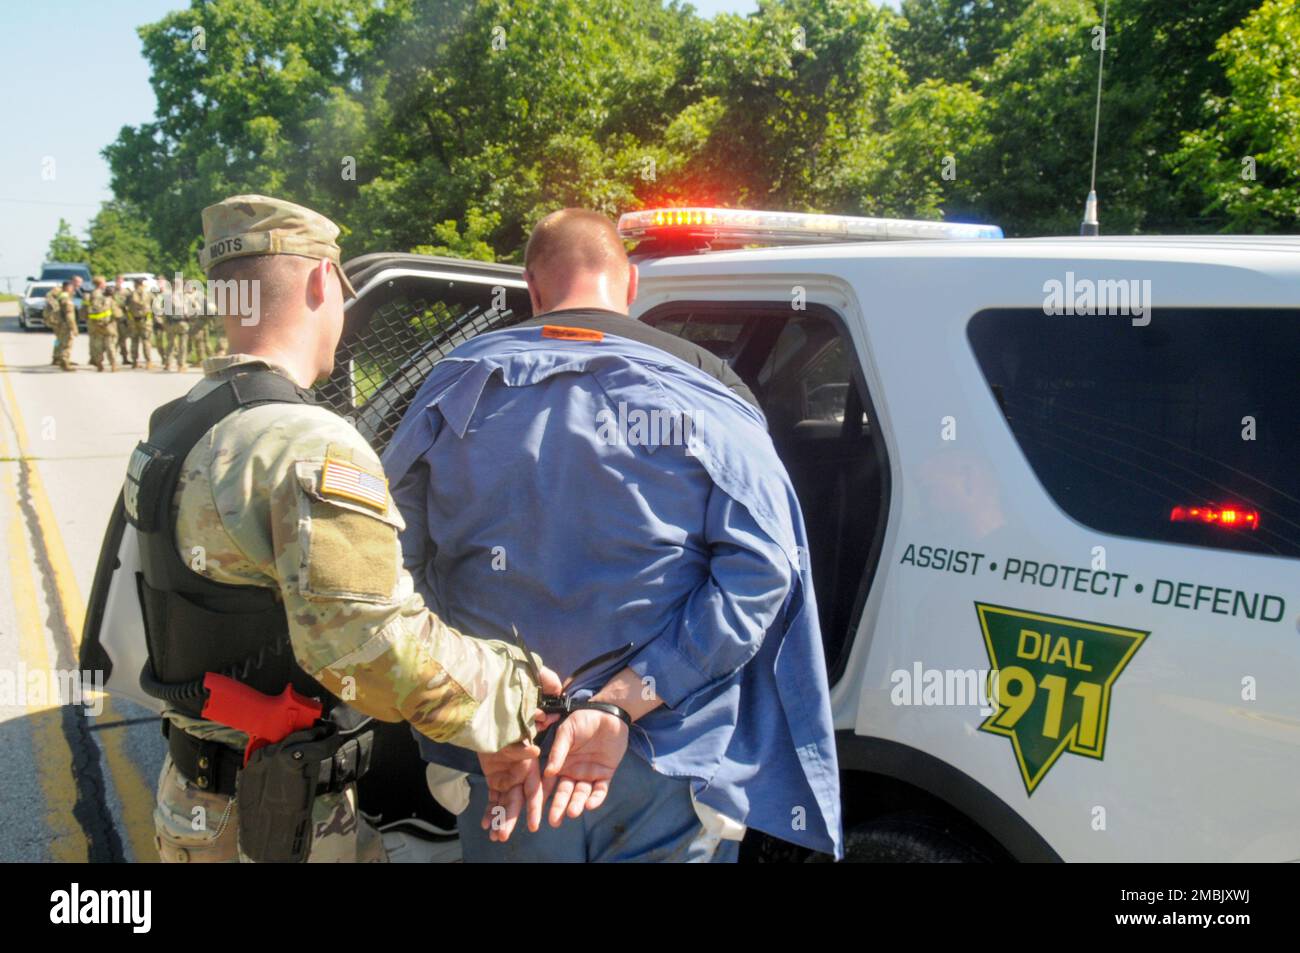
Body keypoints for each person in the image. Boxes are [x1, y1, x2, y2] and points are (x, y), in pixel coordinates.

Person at [384, 209, 843, 862]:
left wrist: (473, 696)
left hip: (508, 756)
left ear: (532, 288)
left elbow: (385, 567)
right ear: (629, 287)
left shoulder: (452, 385)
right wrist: (625, 700)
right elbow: (764, 569)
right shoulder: (708, 394)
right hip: (659, 750)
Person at [129, 194, 560, 862]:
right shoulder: (304, 439)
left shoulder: (180, 422)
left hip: (196, 802)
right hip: (279, 821)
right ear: (320, 281)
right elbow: (372, 646)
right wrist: (514, 693)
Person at [85, 276, 120, 372]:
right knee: (110, 344)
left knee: (98, 345)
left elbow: (85, 310)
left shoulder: (90, 295)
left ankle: (99, 363)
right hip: (107, 324)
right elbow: (116, 313)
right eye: (104, 282)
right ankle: (113, 365)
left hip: (95, 324)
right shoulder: (105, 295)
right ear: (100, 283)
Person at [126, 277, 155, 369]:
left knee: (134, 341)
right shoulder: (149, 294)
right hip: (146, 321)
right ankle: (148, 362)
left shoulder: (130, 295)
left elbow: (125, 306)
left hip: (134, 321)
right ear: (142, 284)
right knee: (146, 341)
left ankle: (134, 361)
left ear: (135, 284)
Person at [112, 275, 133, 366]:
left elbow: (130, 304)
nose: (119, 282)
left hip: (123, 318)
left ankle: (125, 358)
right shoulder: (111, 291)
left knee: (123, 339)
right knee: (113, 339)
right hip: (113, 318)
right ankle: (112, 358)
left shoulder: (126, 292)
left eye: (120, 280)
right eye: (117, 280)